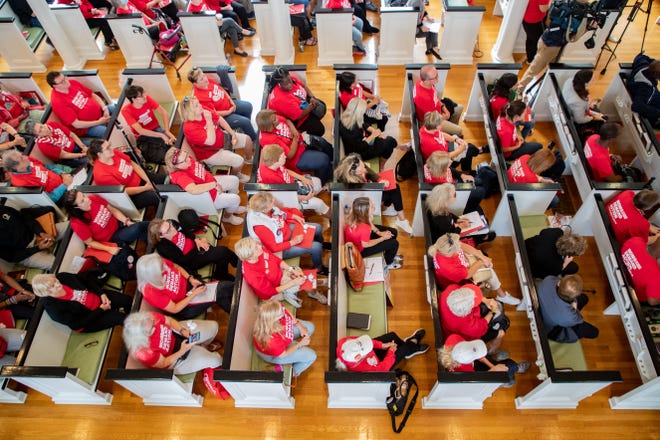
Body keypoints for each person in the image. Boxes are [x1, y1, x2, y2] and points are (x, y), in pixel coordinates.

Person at [122, 311, 223, 397]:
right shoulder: (144, 352)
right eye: (153, 327)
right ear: (143, 337)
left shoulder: (149, 318)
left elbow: (169, 321)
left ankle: (204, 345)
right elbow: (164, 363)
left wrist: (182, 331)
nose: (154, 322)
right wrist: (182, 351)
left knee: (214, 326)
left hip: (177, 334)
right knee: (216, 360)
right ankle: (202, 351)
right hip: (176, 359)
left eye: (151, 320)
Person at [515, 0, 594, 96]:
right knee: (534, 70)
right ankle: (518, 91)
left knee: (546, 68)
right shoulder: (572, 12)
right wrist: (587, 28)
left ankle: (537, 90)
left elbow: (550, 20)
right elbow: (573, 37)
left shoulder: (566, 6)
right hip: (551, 45)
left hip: (550, 41)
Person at [246, 191, 328, 275]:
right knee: (316, 247)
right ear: (264, 209)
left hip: (285, 231)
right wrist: (293, 241)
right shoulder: (261, 227)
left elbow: (280, 212)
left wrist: (294, 216)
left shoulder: (266, 209)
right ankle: (319, 269)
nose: (273, 201)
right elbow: (274, 248)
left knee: (317, 227)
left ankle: (320, 244)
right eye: (271, 202)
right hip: (281, 247)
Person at [136, 253, 235, 319]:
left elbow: (176, 266)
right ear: (153, 274)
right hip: (185, 306)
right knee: (223, 289)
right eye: (161, 268)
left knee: (222, 294)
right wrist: (194, 294)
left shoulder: (158, 262)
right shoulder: (151, 292)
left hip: (190, 287)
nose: (164, 267)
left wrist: (190, 279)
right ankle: (240, 310)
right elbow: (175, 308)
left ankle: (237, 314)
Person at [429, 233, 519, 305]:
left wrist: (481, 256)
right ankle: (501, 295)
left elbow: (462, 245)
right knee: (489, 271)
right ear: (452, 252)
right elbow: (468, 275)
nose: (459, 246)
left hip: (462, 268)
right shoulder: (450, 269)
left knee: (486, 262)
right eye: (457, 248)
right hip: (457, 284)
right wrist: (481, 262)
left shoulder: (442, 246)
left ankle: (501, 295)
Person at [234, 237, 327, 306]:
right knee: (305, 283)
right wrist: (293, 282)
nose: (260, 246)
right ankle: (314, 293)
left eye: (257, 245)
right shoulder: (252, 275)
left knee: (302, 276)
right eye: (256, 248)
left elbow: (277, 261)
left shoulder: (260, 251)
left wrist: (292, 270)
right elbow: (270, 291)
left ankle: (318, 284)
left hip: (280, 274)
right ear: (250, 256)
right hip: (275, 290)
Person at [164, 148, 246, 225]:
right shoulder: (179, 176)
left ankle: (232, 208)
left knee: (235, 180)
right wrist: (214, 185)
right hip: (208, 196)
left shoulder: (187, 160)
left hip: (211, 182)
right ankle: (227, 217)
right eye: (185, 160)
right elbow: (193, 189)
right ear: (177, 166)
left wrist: (213, 183)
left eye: (186, 155)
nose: (189, 159)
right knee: (236, 199)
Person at [334, 154, 413, 234]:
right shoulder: (353, 185)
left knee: (393, 187)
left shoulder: (353, 166)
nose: (365, 167)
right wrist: (377, 187)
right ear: (357, 172)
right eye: (363, 167)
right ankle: (400, 219)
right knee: (394, 190)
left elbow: (368, 171)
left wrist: (379, 180)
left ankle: (392, 213)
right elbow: (362, 197)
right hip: (365, 198)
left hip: (368, 188)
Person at [180, 95, 252, 183]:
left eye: (198, 103)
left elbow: (219, 118)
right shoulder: (189, 128)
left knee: (247, 140)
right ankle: (236, 175)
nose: (200, 105)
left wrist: (232, 133)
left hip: (222, 137)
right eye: (196, 105)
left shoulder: (202, 110)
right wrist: (209, 120)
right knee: (239, 161)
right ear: (191, 112)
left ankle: (249, 159)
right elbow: (211, 141)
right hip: (211, 153)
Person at [31, 272, 132, 332]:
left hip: (98, 298)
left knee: (127, 300)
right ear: (46, 292)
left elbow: (87, 280)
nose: (58, 284)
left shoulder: (62, 277)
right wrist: (101, 310)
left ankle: (130, 313)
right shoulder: (53, 307)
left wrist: (101, 294)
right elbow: (77, 324)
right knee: (122, 318)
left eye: (55, 281)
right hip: (90, 319)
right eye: (53, 286)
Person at [256, 109, 333, 184]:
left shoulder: (272, 118)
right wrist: (295, 139)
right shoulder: (268, 139)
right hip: (296, 157)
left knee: (323, 143)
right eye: (275, 119)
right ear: (269, 126)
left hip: (300, 140)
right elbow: (290, 154)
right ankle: (323, 182)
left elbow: (287, 120)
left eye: (276, 116)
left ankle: (333, 164)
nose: (278, 118)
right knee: (323, 159)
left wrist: (294, 130)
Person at [148, 219, 238, 282]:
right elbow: (183, 261)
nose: (173, 229)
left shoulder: (172, 223)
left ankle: (221, 275)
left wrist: (197, 240)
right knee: (223, 251)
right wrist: (202, 249)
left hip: (196, 246)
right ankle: (239, 264)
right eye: (168, 230)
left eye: (170, 225)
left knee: (222, 258)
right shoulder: (164, 247)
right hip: (192, 260)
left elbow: (186, 231)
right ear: (161, 236)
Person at [257, 144, 331, 219]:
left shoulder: (271, 164)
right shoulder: (271, 178)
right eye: (283, 156)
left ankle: (310, 200)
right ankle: (334, 219)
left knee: (317, 181)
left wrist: (302, 178)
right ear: (275, 161)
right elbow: (284, 196)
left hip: (291, 187)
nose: (285, 157)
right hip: (286, 198)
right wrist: (304, 198)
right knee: (319, 203)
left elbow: (285, 170)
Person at [62, 189, 149, 251]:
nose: (87, 199)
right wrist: (109, 249)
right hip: (112, 238)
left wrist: (126, 221)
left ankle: (156, 238)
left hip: (119, 223)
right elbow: (90, 242)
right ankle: (156, 229)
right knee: (138, 227)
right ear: (76, 207)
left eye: (84, 196)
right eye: (82, 201)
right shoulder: (77, 223)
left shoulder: (93, 198)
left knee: (141, 230)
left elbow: (113, 210)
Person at [87, 139, 163, 210]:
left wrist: (148, 180)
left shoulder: (113, 152)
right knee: (159, 196)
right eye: (107, 148)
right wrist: (145, 188)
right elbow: (123, 191)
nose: (111, 148)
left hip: (140, 179)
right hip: (132, 196)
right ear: (99, 154)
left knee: (165, 179)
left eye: (110, 145)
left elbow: (132, 163)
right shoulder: (101, 174)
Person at [188, 67, 256, 144]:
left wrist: (231, 101)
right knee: (245, 122)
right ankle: (254, 140)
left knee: (248, 106)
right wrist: (228, 111)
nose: (205, 79)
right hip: (224, 117)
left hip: (229, 105)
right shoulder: (199, 98)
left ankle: (246, 130)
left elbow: (222, 90)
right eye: (201, 79)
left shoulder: (208, 81)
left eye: (203, 75)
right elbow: (214, 113)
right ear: (195, 84)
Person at [439, 283, 507, 358]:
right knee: (501, 332)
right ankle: (493, 351)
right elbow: (483, 325)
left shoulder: (450, 290)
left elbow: (467, 292)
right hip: (465, 338)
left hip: (447, 324)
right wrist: (492, 312)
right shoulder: (469, 325)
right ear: (469, 310)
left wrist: (485, 300)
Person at [252, 299, 317, 376]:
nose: (284, 311)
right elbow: (283, 354)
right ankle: (291, 373)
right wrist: (300, 344)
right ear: (273, 320)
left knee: (310, 327)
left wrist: (299, 326)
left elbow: (286, 312)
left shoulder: (276, 307)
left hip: (282, 339)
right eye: (281, 314)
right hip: (277, 354)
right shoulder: (270, 341)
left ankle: (295, 351)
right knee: (312, 356)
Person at [46, 71, 116, 138]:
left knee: (117, 109)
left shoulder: (73, 83)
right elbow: (77, 124)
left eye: (64, 78)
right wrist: (99, 122)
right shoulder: (58, 102)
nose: (66, 81)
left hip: (100, 112)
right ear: (55, 86)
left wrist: (105, 108)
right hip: (88, 127)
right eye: (62, 82)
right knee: (110, 132)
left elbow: (92, 94)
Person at [440, 334, 530, 386]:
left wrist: (493, 366)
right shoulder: (464, 372)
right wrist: (494, 370)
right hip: (477, 374)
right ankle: (515, 369)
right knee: (509, 366)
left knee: (499, 364)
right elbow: (480, 382)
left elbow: (479, 356)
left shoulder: (453, 338)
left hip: (475, 364)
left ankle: (499, 362)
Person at [338, 98, 400, 170]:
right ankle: (381, 167)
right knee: (390, 142)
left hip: (362, 140)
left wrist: (374, 131)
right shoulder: (352, 131)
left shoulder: (347, 117)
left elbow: (363, 123)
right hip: (359, 153)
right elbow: (359, 147)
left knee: (386, 139)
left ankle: (398, 145)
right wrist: (373, 136)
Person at [425, 183, 496, 245]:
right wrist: (460, 227)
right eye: (454, 195)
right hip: (447, 239)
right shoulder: (443, 221)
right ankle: (482, 238)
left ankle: (483, 236)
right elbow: (449, 238)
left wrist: (458, 219)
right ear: (446, 200)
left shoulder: (437, 206)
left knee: (483, 220)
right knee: (483, 228)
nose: (456, 195)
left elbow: (450, 214)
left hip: (451, 228)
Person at [0, 205, 66, 270]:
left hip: (36, 234)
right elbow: (12, 257)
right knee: (59, 266)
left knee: (70, 226)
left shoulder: (3, 209)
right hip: (26, 253)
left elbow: (26, 218)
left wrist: (41, 232)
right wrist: (38, 248)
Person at [537, 274, 599, 342]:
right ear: (575, 296)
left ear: (559, 283)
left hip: (541, 308)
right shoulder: (568, 316)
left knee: (584, 298)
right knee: (594, 332)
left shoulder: (549, 279)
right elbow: (579, 320)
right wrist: (574, 309)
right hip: (549, 329)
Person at [345, 197, 402, 269]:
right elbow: (366, 244)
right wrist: (382, 238)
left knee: (394, 232)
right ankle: (388, 263)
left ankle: (390, 253)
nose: (374, 207)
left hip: (360, 239)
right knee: (394, 243)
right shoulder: (364, 228)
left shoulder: (356, 215)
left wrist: (379, 233)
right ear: (365, 212)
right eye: (372, 207)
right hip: (360, 250)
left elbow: (369, 223)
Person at [267, 67, 325, 136]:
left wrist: (312, 97)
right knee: (319, 129)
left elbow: (304, 86)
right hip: (296, 119)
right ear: (279, 84)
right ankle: (303, 135)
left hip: (302, 103)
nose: (289, 85)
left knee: (322, 107)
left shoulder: (291, 78)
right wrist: (312, 106)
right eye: (286, 84)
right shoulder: (281, 99)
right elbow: (299, 116)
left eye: (289, 81)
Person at [335, 330, 429, 372]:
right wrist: (391, 351)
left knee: (392, 336)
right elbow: (383, 368)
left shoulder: (344, 342)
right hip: (380, 365)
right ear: (358, 357)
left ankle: (408, 348)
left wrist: (383, 345)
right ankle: (413, 344)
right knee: (402, 350)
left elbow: (367, 341)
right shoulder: (362, 367)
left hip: (372, 353)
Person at [186, 0, 254, 57]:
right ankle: (242, 31)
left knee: (231, 28)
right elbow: (196, 25)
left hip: (213, 23)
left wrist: (216, 19)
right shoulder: (191, 9)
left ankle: (237, 49)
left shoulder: (202, 1)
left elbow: (210, 11)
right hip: (208, 29)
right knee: (229, 20)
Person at [0, 150, 72, 203]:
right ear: (16, 168)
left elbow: (47, 166)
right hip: (62, 195)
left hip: (65, 179)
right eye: (21, 158)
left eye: (21, 155)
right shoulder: (22, 183)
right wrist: (64, 185)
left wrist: (62, 174)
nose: (25, 157)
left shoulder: (28, 160)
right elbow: (49, 198)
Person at [121, 85, 177, 151]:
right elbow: (140, 131)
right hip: (142, 136)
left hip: (156, 128)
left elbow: (163, 112)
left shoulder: (147, 99)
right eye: (141, 95)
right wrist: (162, 135)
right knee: (162, 151)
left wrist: (167, 131)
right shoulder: (126, 111)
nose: (145, 96)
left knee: (172, 143)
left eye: (144, 92)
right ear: (133, 99)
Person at [413, 64, 464, 136]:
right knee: (459, 130)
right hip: (431, 122)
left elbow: (435, 98)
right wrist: (445, 116)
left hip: (436, 112)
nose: (438, 78)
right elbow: (431, 120)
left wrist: (444, 108)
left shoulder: (424, 83)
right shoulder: (424, 98)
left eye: (437, 75)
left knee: (459, 108)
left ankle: (449, 133)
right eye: (435, 77)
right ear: (427, 81)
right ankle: (451, 136)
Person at [562, 70, 606, 143]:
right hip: (574, 119)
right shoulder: (579, 102)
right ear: (586, 83)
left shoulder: (569, 81)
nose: (594, 80)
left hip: (573, 109)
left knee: (599, 114)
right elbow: (579, 120)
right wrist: (593, 117)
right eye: (593, 79)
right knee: (602, 121)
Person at [54, 0, 119, 49]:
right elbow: (77, 15)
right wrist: (91, 13)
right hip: (78, 21)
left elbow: (86, 2)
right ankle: (108, 41)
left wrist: (91, 9)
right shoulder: (62, 3)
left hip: (87, 14)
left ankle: (111, 34)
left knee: (106, 9)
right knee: (104, 22)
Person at [25, 120, 89, 169]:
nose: (44, 129)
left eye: (41, 126)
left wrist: (83, 147)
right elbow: (65, 155)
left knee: (96, 145)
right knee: (90, 159)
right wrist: (82, 155)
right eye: (40, 131)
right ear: (37, 135)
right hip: (68, 158)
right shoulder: (43, 144)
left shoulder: (52, 124)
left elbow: (71, 134)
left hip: (75, 144)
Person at [489, 73, 535, 138]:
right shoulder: (502, 101)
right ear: (510, 86)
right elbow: (506, 118)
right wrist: (520, 118)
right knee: (531, 123)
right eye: (516, 84)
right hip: (501, 120)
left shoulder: (499, 91)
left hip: (503, 114)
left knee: (532, 112)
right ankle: (523, 138)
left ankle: (528, 129)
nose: (518, 84)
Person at [621, 235, 660, 306]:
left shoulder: (635, 241)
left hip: (619, 274)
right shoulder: (656, 277)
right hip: (631, 296)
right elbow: (652, 302)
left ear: (656, 238)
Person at [627, 53, 660, 129]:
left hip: (649, 96)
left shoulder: (642, 64)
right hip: (650, 106)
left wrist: (656, 64)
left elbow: (640, 56)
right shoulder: (646, 89)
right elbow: (637, 106)